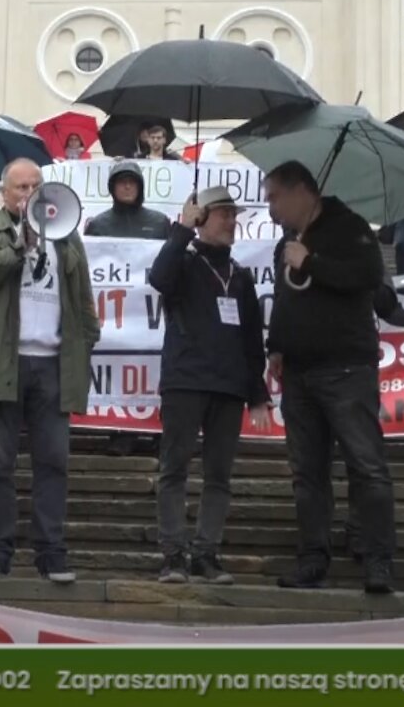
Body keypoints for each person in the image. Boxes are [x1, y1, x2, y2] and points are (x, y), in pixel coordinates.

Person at [0, 158, 100, 584]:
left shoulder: (66, 235)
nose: (29, 193)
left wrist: (86, 342)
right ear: (4, 193)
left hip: (53, 365)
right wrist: (17, 247)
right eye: (20, 187)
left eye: (35, 185)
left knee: (53, 461)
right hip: (3, 361)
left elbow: (84, 299)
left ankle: (51, 552)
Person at [263, 161, 396, 594]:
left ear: (301, 191)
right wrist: (277, 346)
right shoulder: (288, 239)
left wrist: (313, 261)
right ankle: (312, 556)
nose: (270, 207)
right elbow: (285, 296)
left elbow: (368, 278)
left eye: (274, 197)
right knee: (307, 471)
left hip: (345, 368)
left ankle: (377, 559)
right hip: (299, 373)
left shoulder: (350, 227)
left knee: (366, 465)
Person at [148, 187, 272, 585]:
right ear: (203, 219)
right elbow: (158, 278)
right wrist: (182, 229)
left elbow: (253, 339)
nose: (232, 221)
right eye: (223, 215)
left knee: (219, 474)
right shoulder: (183, 261)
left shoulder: (240, 275)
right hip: (185, 380)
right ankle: (173, 554)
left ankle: (206, 552)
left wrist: (257, 394)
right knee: (175, 468)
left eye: (234, 215)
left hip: (229, 386)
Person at [84, 161, 172, 457]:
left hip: (155, 310)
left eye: (132, 182)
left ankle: (163, 431)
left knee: (158, 368)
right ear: (111, 188)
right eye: (120, 182)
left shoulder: (160, 222)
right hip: (116, 313)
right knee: (121, 368)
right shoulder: (99, 224)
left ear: (140, 187)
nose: (126, 186)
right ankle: (122, 431)